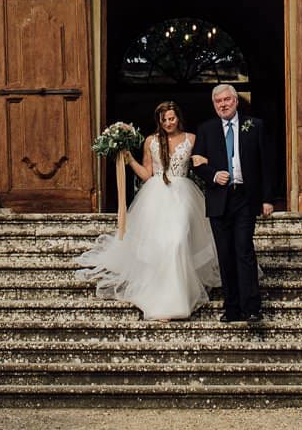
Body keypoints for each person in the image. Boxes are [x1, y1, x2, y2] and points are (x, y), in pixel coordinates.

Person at [73, 102, 220, 321]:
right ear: (159, 122)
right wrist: (128, 157)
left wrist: (205, 162)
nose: (169, 123)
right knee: (160, 245)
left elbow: (201, 163)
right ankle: (162, 302)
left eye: (172, 118)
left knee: (178, 241)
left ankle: (181, 297)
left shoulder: (192, 138)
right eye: (164, 120)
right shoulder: (152, 141)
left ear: (178, 117)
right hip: (156, 195)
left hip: (183, 195)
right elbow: (146, 174)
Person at [191, 82, 272, 322]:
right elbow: (197, 164)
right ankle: (232, 307)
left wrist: (268, 198)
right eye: (218, 101)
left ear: (236, 101)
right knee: (225, 255)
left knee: (244, 250)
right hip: (219, 199)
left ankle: (252, 307)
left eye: (226, 100)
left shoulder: (254, 126)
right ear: (214, 105)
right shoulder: (206, 130)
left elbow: (266, 164)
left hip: (245, 197)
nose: (223, 104)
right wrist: (214, 175)